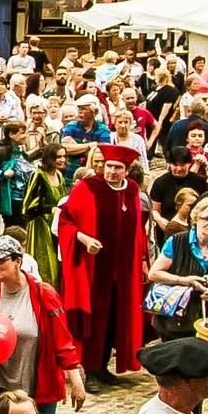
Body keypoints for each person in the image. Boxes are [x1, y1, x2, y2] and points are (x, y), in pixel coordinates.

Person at [55, 139, 149, 378]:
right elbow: (66, 222)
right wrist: (84, 239)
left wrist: (142, 259)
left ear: (126, 170)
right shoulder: (87, 188)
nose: (112, 172)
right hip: (93, 269)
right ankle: (90, 369)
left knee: (114, 319)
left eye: (118, 168)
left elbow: (139, 230)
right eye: (108, 166)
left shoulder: (132, 191)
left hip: (123, 269)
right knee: (94, 318)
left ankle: (104, 365)